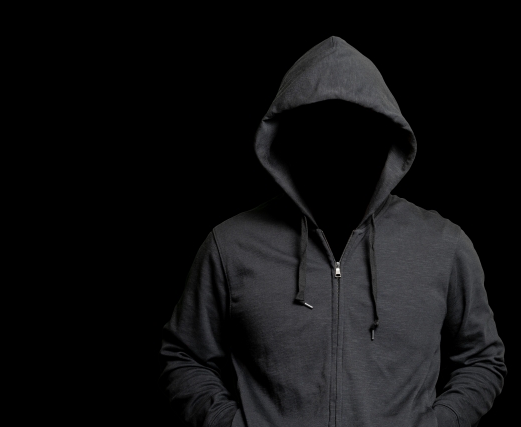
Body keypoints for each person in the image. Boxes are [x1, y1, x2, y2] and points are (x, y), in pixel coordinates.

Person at [159, 36, 506, 427]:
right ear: (289, 136)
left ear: (387, 136)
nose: (339, 145)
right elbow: (185, 356)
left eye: (358, 128)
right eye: (320, 128)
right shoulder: (231, 245)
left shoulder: (443, 244)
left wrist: (438, 424)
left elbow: (482, 359)